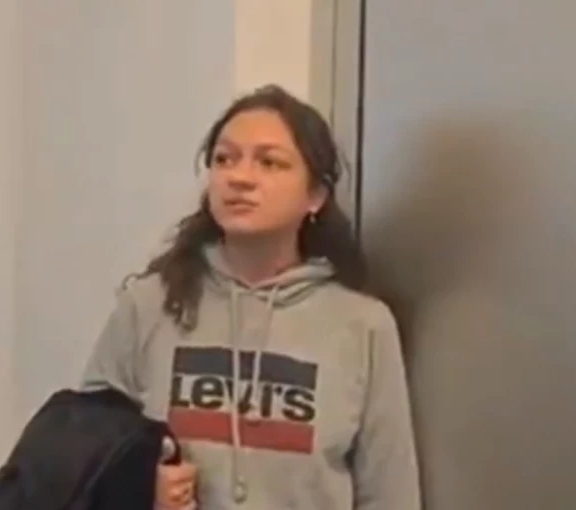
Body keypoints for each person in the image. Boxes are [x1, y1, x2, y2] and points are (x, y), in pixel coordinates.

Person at [81, 84, 421, 510]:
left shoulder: (364, 324)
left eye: (269, 162)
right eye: (224, 159)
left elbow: (390, 492)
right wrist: (137, 486)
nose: (239, 177)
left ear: (315, 195)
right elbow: (82, 460)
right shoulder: (149, 305)